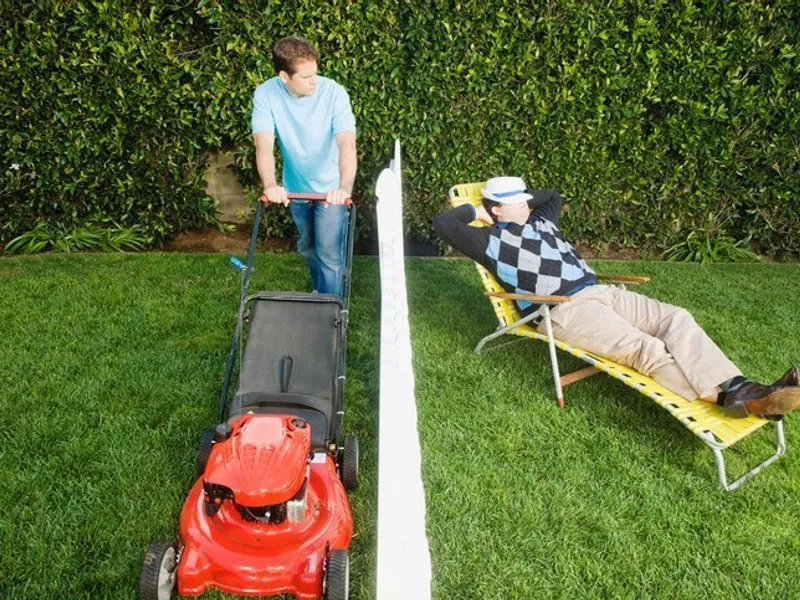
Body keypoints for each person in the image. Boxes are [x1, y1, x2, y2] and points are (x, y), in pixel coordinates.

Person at [433, 176, 800, 418]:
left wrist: (517, 196)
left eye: (526, 198)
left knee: (676, 318)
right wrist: (479, 210)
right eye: (516, 201)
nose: (528, 203)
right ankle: (743, 402)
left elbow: (552, 195)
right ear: (496, 209)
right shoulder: (487, 241)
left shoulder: (542, 219)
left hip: (601, 291)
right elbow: (445, 224)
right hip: (564, 310)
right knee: (648, 349)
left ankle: (742, 387)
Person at [251, 36, 357, 296]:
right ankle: (320, 292)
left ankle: (331, 313)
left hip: (331, 192)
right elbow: (263, 144)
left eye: (316, 74)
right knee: (308, 248)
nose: (315, 81)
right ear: (284, 77)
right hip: (296, 189)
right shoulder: (266, 94)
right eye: (307, 77)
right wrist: (271, 185)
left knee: (330, 256)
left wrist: (343, 188)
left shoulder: (334, 93)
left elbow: (346, 144)